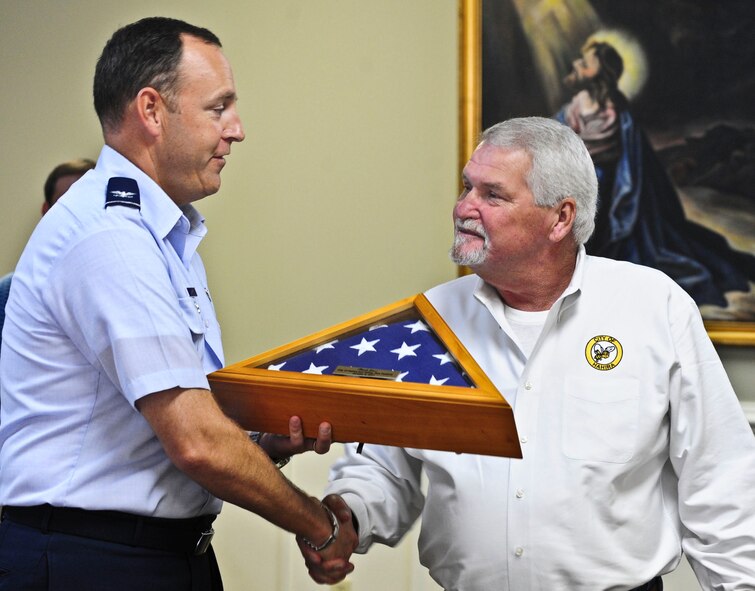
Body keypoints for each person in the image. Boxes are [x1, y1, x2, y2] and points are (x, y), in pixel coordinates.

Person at [300, 117, 755, 590]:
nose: (463, 208)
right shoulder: (432, 318)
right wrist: (349, 513)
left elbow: (721, 483)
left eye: (491, 195)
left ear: (560, 218)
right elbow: (385, 468)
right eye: (466, 187)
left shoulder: (653, 307)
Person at [0, 17, 356, 590]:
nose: (236, 129)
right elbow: (194, 442)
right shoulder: (109, 237)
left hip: (153, 556)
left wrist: (258, 444)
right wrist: (317, 524)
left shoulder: (161, 232)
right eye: (219, 108)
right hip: (89, 561)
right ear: (151, 111)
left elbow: (168, 428)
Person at [556, 40, 755, 308]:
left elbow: (633, 153)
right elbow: (561, 140)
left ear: (601, 71)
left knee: (627, 243)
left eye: (586, 62)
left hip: (614, 184)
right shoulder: (576, 104)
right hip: (582, 179)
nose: (579, 65)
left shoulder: (617, 108)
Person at [0, 158, 95, 353]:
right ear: (46, 210)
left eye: (88, 202)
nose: (79, 214)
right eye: (66, 204)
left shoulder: (125, 283)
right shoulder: (8, 292)